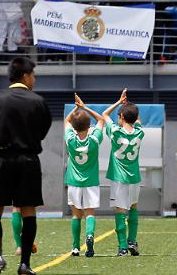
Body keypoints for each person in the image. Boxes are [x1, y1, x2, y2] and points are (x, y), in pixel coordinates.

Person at [0, 57, 52, 275]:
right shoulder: (37, 101)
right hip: (28, 161)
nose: (34, 79)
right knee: (28, 210)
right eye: (33, 75)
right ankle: (24, 264)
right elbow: (42, 131)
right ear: (25, 75)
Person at [102, 89, 144, 257]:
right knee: (133, 208)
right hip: (134, 177)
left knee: (120, 211)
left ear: (121, 118)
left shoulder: (115, 131)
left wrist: (120, 103)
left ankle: (122, 247)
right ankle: (132, 240)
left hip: (119, 178)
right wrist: (128, 107)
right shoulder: (140, 132)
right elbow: (136, 120)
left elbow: (104, 114)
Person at [64, 94, 105, 257]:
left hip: (74, 182)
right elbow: (101, 120)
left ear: (74, 126)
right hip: (91, 182)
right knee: (89, 214)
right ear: (89, 126)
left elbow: (67, 121)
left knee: (76, 215)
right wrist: (85, 107)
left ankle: (75, 247)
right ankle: (89, 237)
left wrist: (76, 107)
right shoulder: (94, 139)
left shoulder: (70, 139)